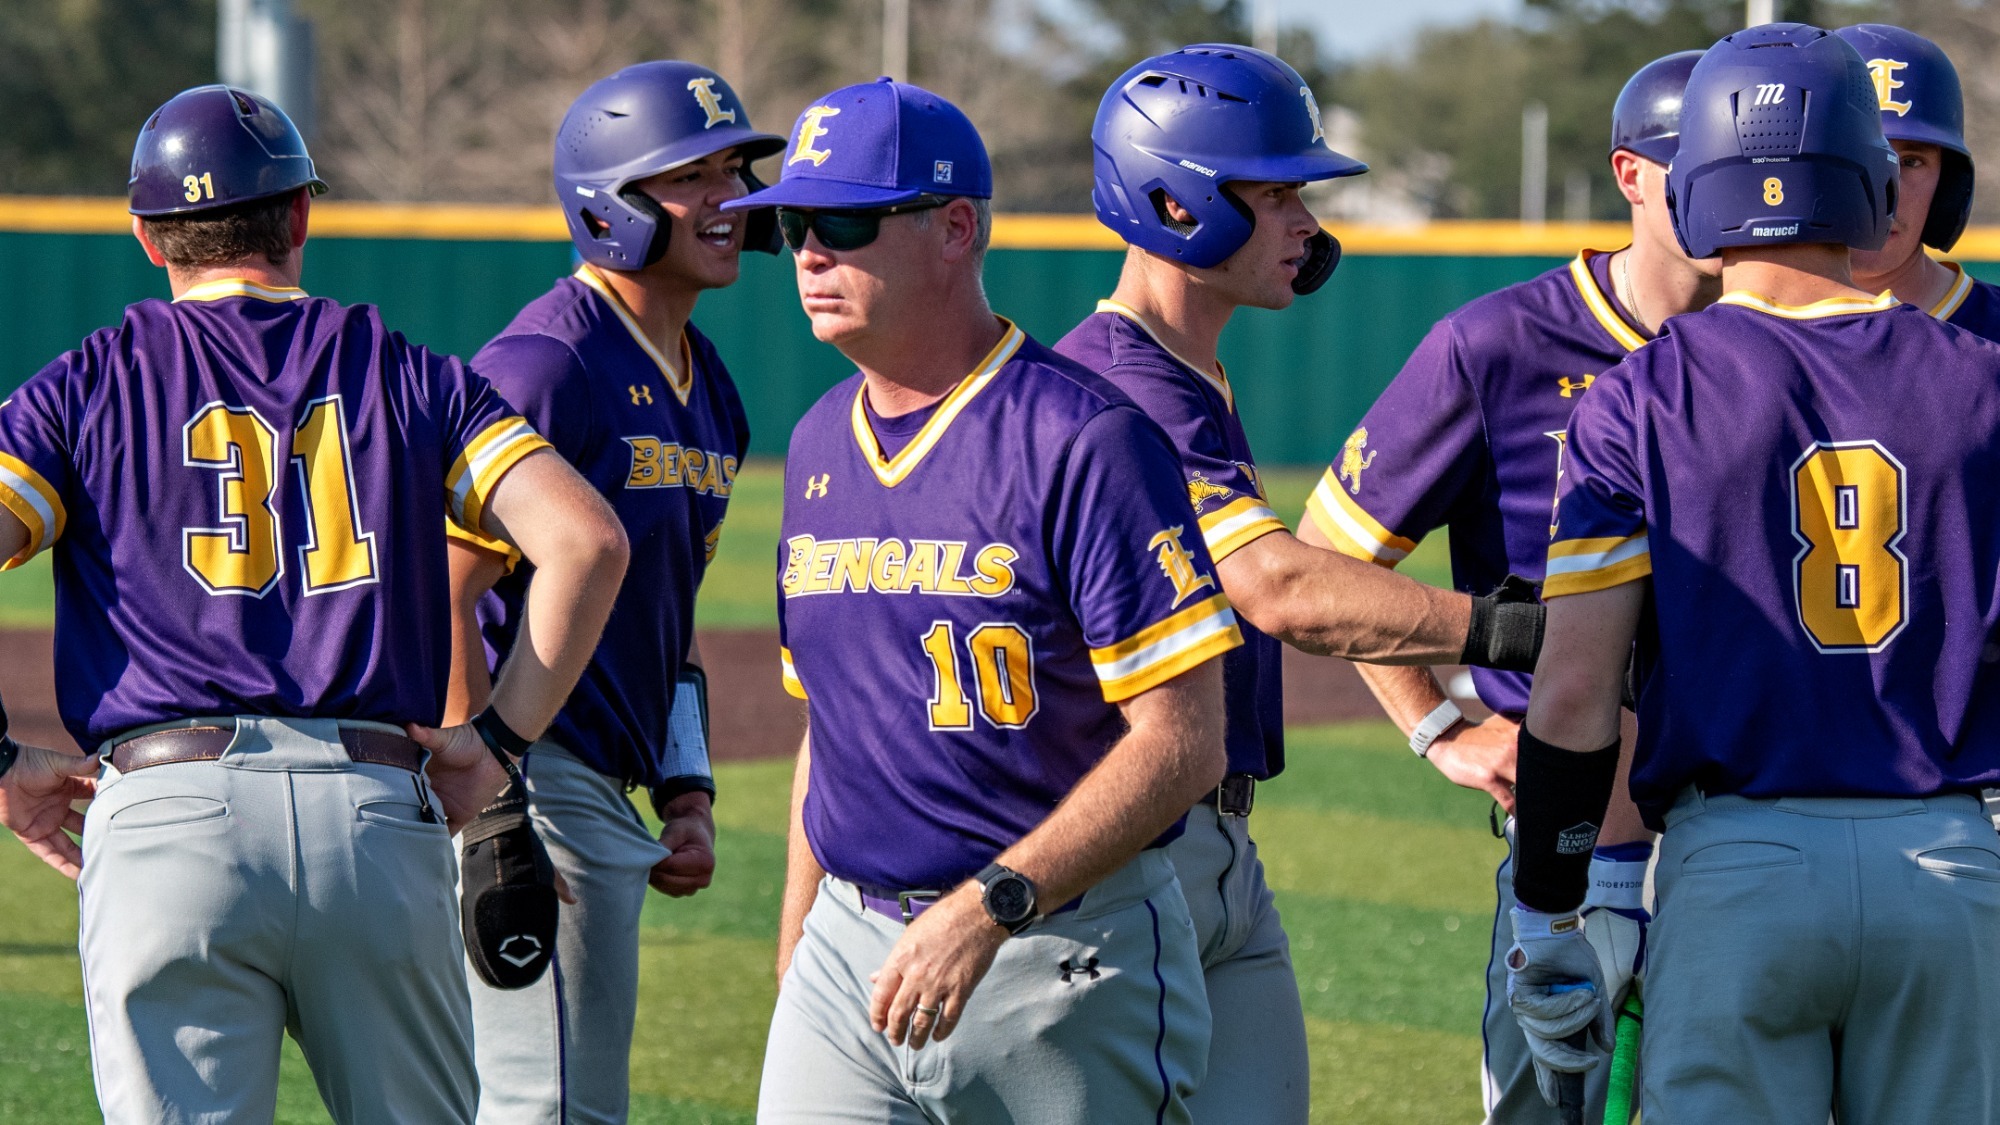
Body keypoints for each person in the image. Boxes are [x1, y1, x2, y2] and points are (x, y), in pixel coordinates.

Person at [0, 85, 627, 1123]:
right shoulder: (409, 371)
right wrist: (499, 744)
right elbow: (586, 540)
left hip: (168, 818)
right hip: (372, 810)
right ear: (299, 216)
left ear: (148, 236)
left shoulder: (88, 384)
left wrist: (6, 768)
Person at [1507, 24, 2000, 1122]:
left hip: (1739, 864)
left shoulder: (1634, 398)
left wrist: (1546, 907)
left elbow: (1576, 691)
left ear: (1693, 194)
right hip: (1949, 858)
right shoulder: (1984, 380)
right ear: (1872, 184)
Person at [1053, 43, 1553, 1124]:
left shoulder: (1185, 370)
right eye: (1273, 192)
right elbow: (1279, 589)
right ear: (1175, 204)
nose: (1304, 224)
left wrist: (1436, 730)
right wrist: (1523, 636)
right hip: (1129, 856)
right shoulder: (1116, 382)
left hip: (1217, 845)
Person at [729, 77, 1234, 1124]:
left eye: (846, 221)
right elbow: (832, 720)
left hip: (1055, 946)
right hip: (849, 951)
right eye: (791, 226)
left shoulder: (1085, 438)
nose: (810, 253)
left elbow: (1183, 743)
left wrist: (992, 905)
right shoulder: (820, 439)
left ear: (955, 228)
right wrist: (799, 925)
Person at [1297, 51, 1716, 1122]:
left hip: (1764, 842)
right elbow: (1330, 557)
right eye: (1694, 164)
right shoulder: (1497, 345)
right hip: (1575, 861)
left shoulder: (1791, 338)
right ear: (1629, 174)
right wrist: (1436, 725)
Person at [443, 61, 781, 1125]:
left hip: (595, 776)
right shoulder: (546, 364)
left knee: (566, 1101)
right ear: (610, 202)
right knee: (547, 1103)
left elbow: (666, 623)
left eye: (733, 169)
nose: (727, 197)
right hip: (525, 769)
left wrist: (685, 787)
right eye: (691, 176)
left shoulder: (710, 383)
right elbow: (436, 589)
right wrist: (489, 806)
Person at [1836, 24, 2000, 335]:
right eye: (1858, 157)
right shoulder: (1739, 339)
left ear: (1948, 184)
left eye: (1911, 162)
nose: (1886, 189)